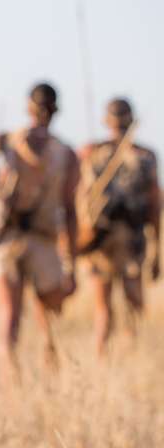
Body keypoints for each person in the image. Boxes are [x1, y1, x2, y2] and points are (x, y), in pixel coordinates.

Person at [0, 82, 79, 380]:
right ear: (55, 111)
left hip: (7, 243)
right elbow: (70, 210)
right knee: (48, 322)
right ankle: (48, 378)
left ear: (29, 108)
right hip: (42, 244)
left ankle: (12, 387)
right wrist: (71, 264)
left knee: (9, 319)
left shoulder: (7, 141)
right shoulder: (65, 153)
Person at [76, 98, 160, 356]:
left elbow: (155, 204)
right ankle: (107, 356)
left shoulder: (142, 157)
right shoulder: (94, 153)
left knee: (126, 304)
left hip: (126, 238)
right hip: (105, 239)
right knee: (110, 307)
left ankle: (125, 355)